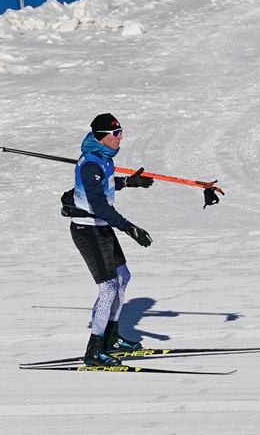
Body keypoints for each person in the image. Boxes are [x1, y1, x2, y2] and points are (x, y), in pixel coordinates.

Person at [70, 113, 154, 366]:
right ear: (100, 136)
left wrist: (128, 182)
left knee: (123, 277)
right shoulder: (91, 164)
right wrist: (129, 228)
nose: (120, 138)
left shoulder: (103, 160)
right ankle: (94, 351)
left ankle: (111, 339)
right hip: (88, 229)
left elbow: (104, 185)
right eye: (115, 134)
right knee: (107, 287)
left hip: (102, 227)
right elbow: (98, 205)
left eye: (121, 132)